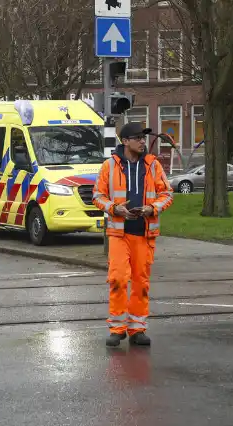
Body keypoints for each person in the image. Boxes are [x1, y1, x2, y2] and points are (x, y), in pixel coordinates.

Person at [92, 121, 173, 348]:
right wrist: (114, 208)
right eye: (137, 137)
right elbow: (97, 195)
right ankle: (117, 329)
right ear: (125, 141)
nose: (142, 141)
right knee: (118, 278)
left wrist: (151, 208)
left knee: (140, 282)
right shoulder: (110, 165)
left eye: (143, 137)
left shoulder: (153, 165)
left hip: (144, 233)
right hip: (119, 232)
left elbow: (167, 193)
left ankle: (137, 328)